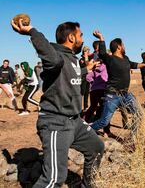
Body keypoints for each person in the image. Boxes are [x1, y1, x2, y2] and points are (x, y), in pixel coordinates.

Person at [11, 19, 104, 188]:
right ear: (71, 37)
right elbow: (54, 61)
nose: (83, 39)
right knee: (54, 179)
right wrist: (32, 31)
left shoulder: (73, 59)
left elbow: (70, 74)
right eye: (80, 35)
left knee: (96, 147)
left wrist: (86, 69)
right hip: (56, 123)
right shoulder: (56, 55)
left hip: (75, 122)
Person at [90, 31, 145, 133]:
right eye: (123, 45)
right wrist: (101, 38)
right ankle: (84, 133)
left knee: (139, 114)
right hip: (112, 95)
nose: (125, 46)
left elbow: (133, 64)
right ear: (119, 47)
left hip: (125, 95)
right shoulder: (110, 59)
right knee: (104, 121)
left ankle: (133, 140)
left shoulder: (125, 58)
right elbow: (102, 53)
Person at [84, 41, 112, 136]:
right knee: (106, 109)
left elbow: (88, 77)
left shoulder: (95, 66)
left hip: (94, 90)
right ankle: (106, 131)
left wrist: (94, 83)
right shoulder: (106, 66)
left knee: (92, 107)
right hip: (103, 89)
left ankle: (83, 124)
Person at [79, 46, 91, 111]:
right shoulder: (81, 60)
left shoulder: (88, 59)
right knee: (82, 93)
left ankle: (85, 107)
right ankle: (78, 106)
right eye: (88, 51)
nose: (89, 52)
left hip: (88, 78)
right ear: (84, 51)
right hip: (83, 78)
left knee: (87, 93)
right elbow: (86, 66)